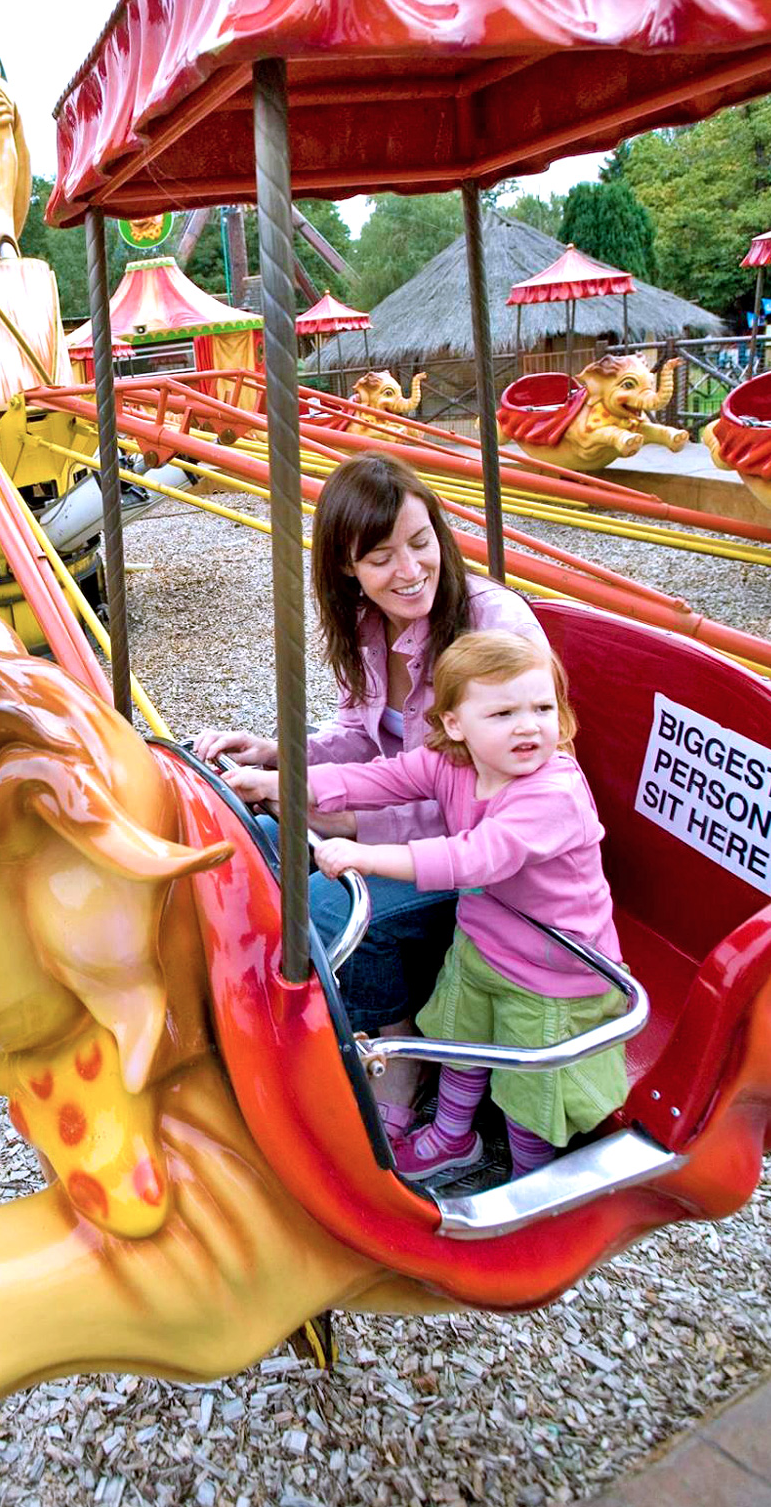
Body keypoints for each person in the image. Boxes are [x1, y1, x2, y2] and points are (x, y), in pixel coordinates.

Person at [194, 451, 545, 1147]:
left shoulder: (488, 627)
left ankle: (397, 1045)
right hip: (406, 823)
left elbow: (485, 785)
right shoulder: (367, 625)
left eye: (420, 545)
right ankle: (332, 1023)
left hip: (484, 848)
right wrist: (278, 756)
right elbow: (360, 732)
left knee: (319, 909)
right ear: (347, 567)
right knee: (247, 852)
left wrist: (350, 820)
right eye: (381, 557)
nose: (410, 571)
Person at [230, 630, 630, 1182]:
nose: (528, 725)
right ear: (454, 724)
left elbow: (476, 858)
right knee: (459, 1043)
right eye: (504, 712)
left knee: (527, 1091)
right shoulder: (453, 763)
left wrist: (369, 857)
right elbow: (374, 779)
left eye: (543, 707)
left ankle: (533, 1177)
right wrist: (278, 781)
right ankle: (451, 1137)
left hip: (551, 973)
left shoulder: (553, 792)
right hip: (484, 942)